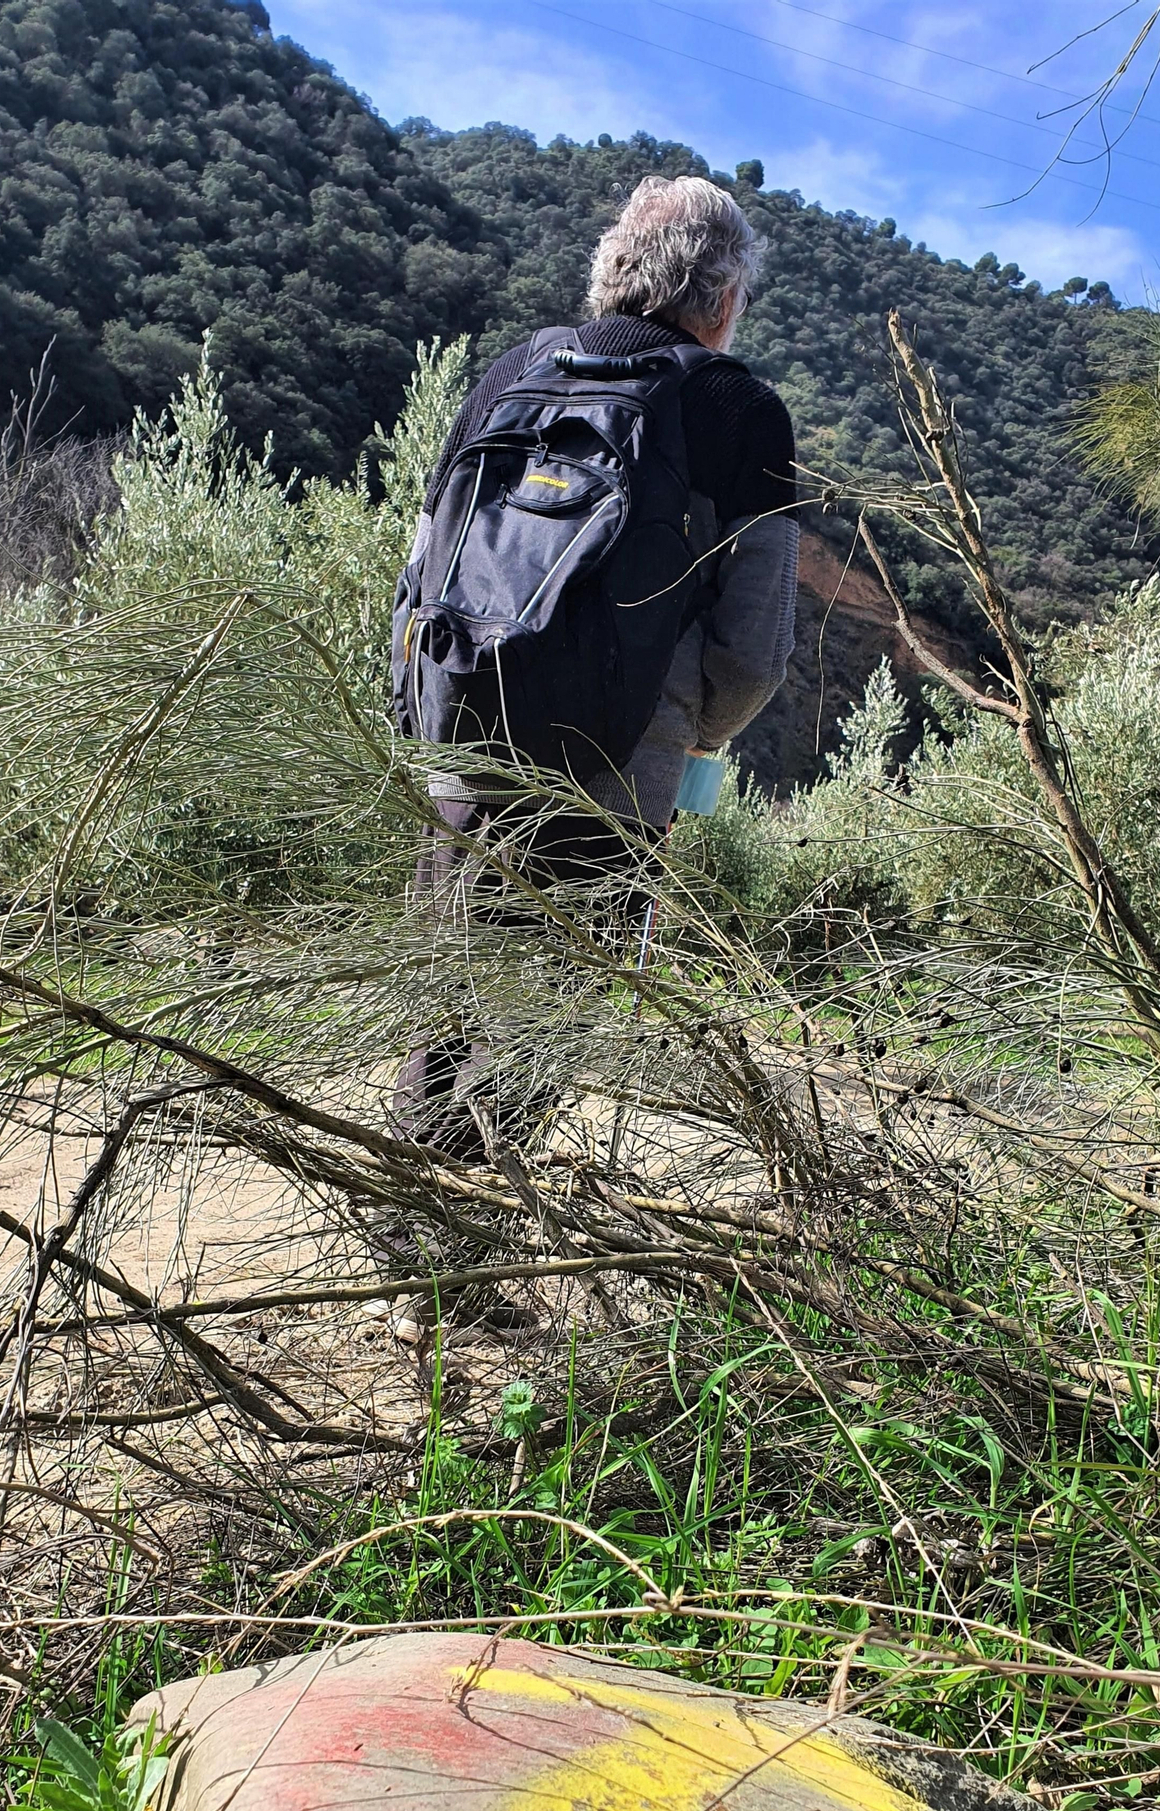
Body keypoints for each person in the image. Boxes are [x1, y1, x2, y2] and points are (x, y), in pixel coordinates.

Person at [391, 173, 799, 1161]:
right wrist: (693, 738)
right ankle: (463, 1256)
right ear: (723, 294)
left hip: (462, 747)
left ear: (613, 265)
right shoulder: (737, 408)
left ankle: (409, 1248)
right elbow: (754, 645)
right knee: (547, 1021)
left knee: (440, 1012)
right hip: (614, 773)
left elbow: (421, 558)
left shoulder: (515, 371)